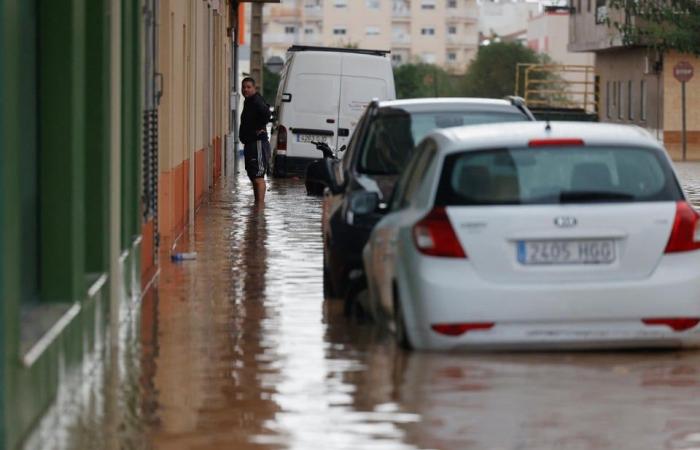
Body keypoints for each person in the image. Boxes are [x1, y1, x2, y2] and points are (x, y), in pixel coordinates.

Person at [239, 77, 272, 203]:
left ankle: (260, 207)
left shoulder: (257, 100)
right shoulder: (248, 101)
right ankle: (257, 204)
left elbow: (266, 114)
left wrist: (259, 127)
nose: (245, 89)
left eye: (248, 87)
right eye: (244, 87)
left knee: (258, 176)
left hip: (257, 143)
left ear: (254, 88)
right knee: (253, 175)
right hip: (250, 143)